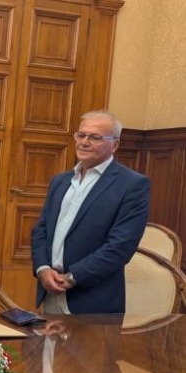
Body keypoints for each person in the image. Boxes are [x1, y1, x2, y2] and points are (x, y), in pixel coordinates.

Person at [31, 110, 150, 314]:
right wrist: (42, 269)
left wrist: (72, 278)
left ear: (114, 145)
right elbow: (40, 230)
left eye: (95, 137)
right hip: (51, 292)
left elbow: (120, 247)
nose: (84, 142)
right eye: (81, 135)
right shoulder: (60, 181)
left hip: (92, 300)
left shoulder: (132, 185)